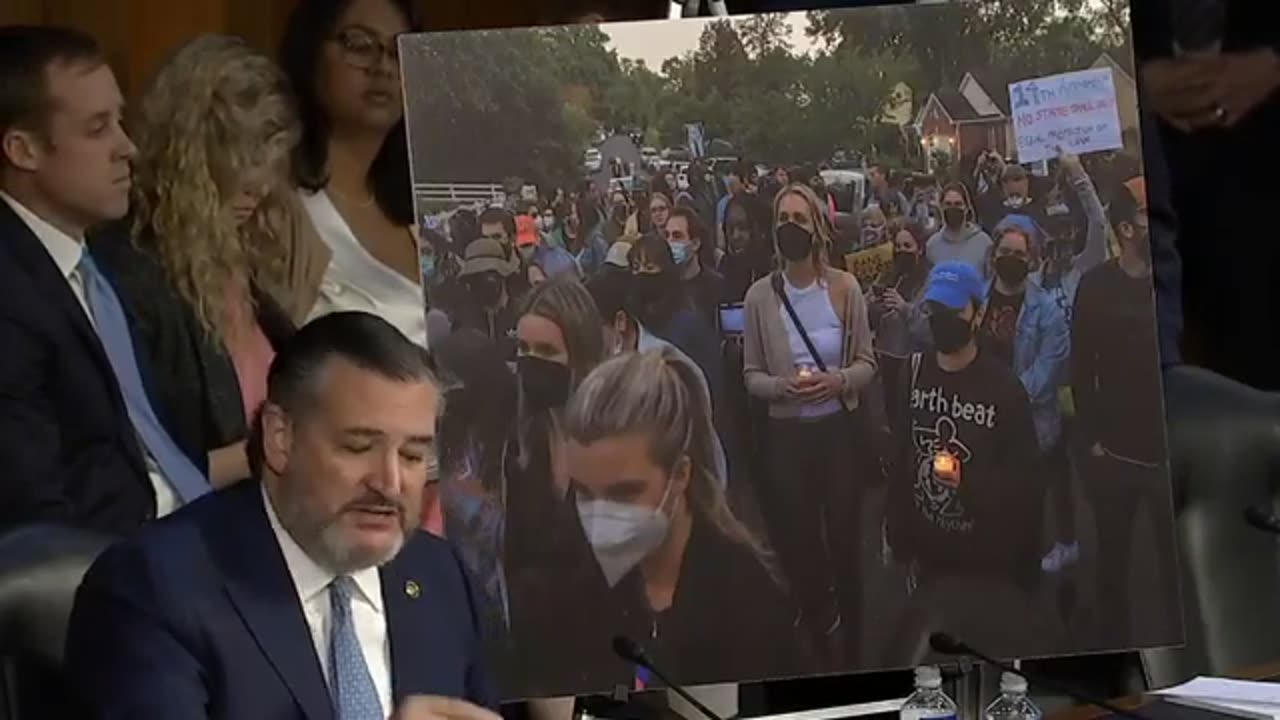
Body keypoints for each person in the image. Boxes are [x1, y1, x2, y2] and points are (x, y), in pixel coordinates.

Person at [64, 311, 498, 719]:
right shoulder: (155, 589)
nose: (390, 482)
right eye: (358, 447)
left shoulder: (442, 576)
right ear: (280, 438)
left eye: (412, 455)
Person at [0, 25, 211, 533]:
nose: (128, 148)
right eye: (97, 129)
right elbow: (34, 520)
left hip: (177, 531)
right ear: (23, 149)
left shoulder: (101, 264)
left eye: (120, 121)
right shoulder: (9, 293)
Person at [90, 35, 300, 491]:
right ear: (186, 158)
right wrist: (297, 449)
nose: (257, 188)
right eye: (238, 162)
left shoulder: (244, 265)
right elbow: (158, 475)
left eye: (269, 162)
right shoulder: (128, 277)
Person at [548, 348, 805, 689]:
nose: (600, 518)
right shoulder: (582, 585)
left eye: (624, 494)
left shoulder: (748, 609)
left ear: (681, 474)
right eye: (584, 493)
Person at [742, 182, 876, 663]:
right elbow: (751, 375)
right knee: (800, 542)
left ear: (817, 226)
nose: (790, 227)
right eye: (783, 219)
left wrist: (838, 381)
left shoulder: (845, 287)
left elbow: (867, 361)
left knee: (843, 538)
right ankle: (820, 625)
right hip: (788, 435)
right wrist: (783, 388)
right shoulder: (759, 297)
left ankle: (856, 644)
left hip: (838, 431)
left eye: (800, 218)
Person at [884, 262, 1043, 654]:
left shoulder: (1005, 389)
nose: (942, 320)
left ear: (977, 312)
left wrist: (967, 483)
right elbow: (903, 456)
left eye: (953, 312)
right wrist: (897, 533)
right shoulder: (913, 373)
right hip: (928, 559)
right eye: (935, 311)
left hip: (986, 564)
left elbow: (1026, 485)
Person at [280, 0, 430, 348]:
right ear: (311, 54)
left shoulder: (423, 211)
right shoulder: (273, 203)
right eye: (360, 45)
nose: (383, 67)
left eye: (399, 52)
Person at [1071, 184, 1179, 646]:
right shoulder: (1096, 286)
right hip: (1114, 455)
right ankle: (1114, 652)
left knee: (1179, 568)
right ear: (1126, 229)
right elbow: (1080, 366)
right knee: (1112, 563)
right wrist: (1092, 439)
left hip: (1173, 457)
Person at [665, 205, 724, 324]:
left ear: (695, 244)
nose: (670, 242)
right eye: (667, 235)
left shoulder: (717, 285)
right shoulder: (663, 286)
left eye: (677, 236)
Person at [926, 183, 994, 282]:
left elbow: (991, 281)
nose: (953, 208)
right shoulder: (932, 244)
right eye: (948, 204)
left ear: (966, 207)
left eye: (958, 204)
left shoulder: (984, 242)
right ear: (941, 207)